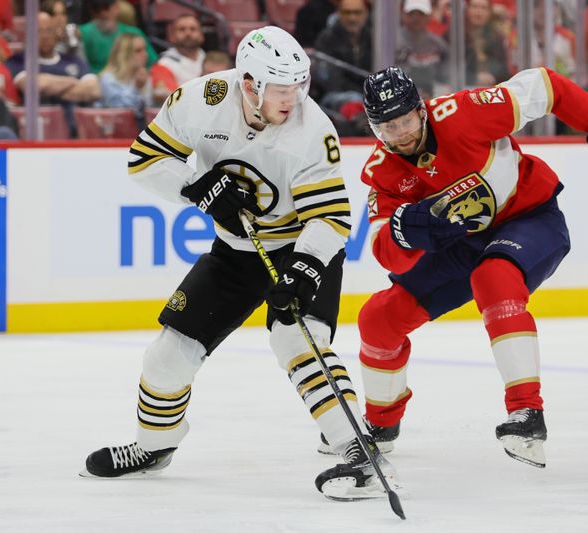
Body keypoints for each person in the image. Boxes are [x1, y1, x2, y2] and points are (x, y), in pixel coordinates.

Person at [81, 26, 398, 502]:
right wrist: (198, 187)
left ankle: (355, 446)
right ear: (249, 83)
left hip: (300, 247)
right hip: (237, 250)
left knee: (294, 338)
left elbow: (331, 218)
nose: (292, 98)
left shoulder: (313, 131)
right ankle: (154, 447)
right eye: (281, 88)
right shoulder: (200, 99)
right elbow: (144, 160)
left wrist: (304, 270)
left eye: (299, 85)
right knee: (167, 355)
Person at [352, 66, 588, 468]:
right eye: (388, 127)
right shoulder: (381, 173)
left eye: (405, 119)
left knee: (494, 276)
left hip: (527, 219)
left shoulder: (465, 112)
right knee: (377, 318)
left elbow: (547, 86)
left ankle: (527, 413)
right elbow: (385, 251)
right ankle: (381, 426)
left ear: (420, 110)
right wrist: (407, 232)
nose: (400, 133)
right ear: (374, 129)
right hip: (460, 247)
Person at [6, 12, 100, 136]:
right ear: (28, 35)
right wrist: (73, 81)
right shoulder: (18, 61)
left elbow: (94, 90)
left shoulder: (73, 60)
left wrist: (49, 88)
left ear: (56, 33)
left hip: (75, 134)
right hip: (36, 133)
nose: (45, 36)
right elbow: (33, 86)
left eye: (49, 30)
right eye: (39, 31)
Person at [79, 0, 157, 73]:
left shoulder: (134, 33)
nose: (102, 13)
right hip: (98, 82)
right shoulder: (83, 33)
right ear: (91, 11)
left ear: (116, 7)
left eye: (106, 7)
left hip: (132, 80)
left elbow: (153, 64)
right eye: (96, 9)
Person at [98, 33, 155, 130]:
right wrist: (136, 88)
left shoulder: (143, 76)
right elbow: (120, 111)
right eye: (138, 51)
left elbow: (147, 107)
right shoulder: (108, 78)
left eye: (144, 49)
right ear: (124, 54)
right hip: (112, 132)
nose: (145, 54)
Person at [149, 15, 206, 97]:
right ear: (171, 36)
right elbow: (171, 98)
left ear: (201, 35)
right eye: (182, 29)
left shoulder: (211, 59)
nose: (188, 33)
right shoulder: (163, 64)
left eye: (193, 29)